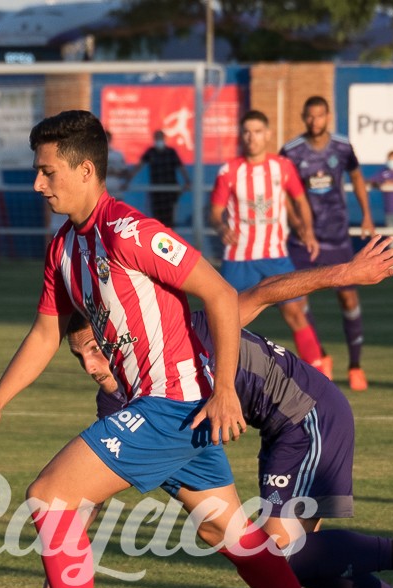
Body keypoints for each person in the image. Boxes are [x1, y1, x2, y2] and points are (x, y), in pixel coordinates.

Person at [0, 109, 349, 588]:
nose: (38, 184)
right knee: (233, 534)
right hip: (165, 411)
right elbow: (47, 332)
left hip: (171, 403)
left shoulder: (130, 232)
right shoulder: (64, 249)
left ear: (86, 169)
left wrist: (224, 392)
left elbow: (221, 294)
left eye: (47, 172)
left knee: (50, 496)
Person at [65, 238, 393, 588]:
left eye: (95, 348)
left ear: (117, 334)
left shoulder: (188, 332)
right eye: (78, 356)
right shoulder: (114, 400)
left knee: (279, 552)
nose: (91, 366)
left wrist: (344, 274)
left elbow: (264, 291)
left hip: (308, 414)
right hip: (281, 433)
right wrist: (70, 553)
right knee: (297, 562)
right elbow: (100, 474)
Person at [210, 109, 327, 372]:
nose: (252, 137)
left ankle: (320, 373)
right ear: (242, 136)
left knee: (296, 313)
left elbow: (300, 200)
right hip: (239, 258)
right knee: (227, 321)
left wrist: (307, 230)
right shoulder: (229, 171)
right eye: (247, 132)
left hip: (275, 256)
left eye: (258, 131)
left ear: (268, 135)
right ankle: (218, 377)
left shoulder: (282, 167)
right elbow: (215, 212)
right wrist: (221, 227)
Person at [281, 96, 376, 392]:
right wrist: (297, 223)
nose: (314, 121)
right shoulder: (291, 151)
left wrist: (367, 216)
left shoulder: (343, 147)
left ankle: (356, 365)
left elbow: (357, 178)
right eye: (309, 116)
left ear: (328, 116)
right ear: (303, 117)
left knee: (348, 299)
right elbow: (282, 189)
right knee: (297, 301)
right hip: (303, 240)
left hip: (336, 237)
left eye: (319, 116)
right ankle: (320, 355)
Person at [127, 129, 190, 228]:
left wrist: (187, 181)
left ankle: (170, 239)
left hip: (170, 191)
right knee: (157, 219)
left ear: (164, 139)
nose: (159, 140)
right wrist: (127, 180)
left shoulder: (171, 152)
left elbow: (181, 167)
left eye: (160, 138)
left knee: (169, 219)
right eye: (157, 138)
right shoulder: (151, 152)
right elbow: (138, 167)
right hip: (156, 191)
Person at [104, 131, 129, 197]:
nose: (106, 140)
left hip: (116, 190)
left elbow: (125, 172)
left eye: (107, 137)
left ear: (110, 139)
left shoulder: (118, 155)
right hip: (100, 193)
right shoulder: (94, 156)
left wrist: (115, 172)